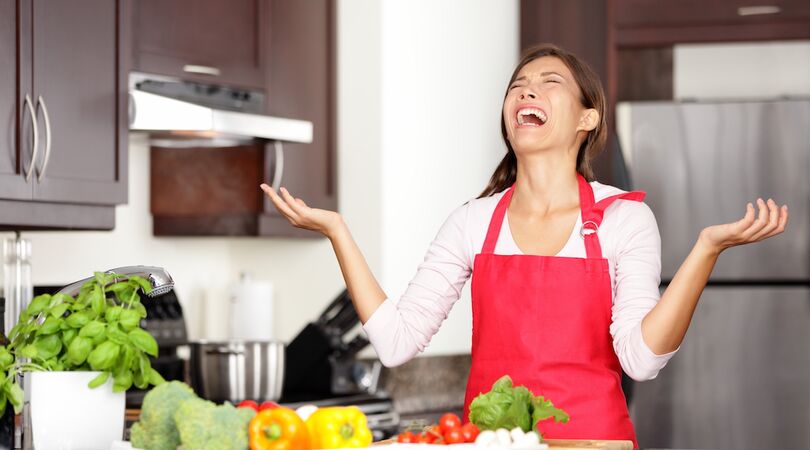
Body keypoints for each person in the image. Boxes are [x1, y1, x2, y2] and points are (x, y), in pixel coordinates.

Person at [260, 44, 788, 445]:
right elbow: (397, 343)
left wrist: (704, 252)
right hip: (491, 444)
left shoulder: (623, 219)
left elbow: (642, 360)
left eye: (549, 82)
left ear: (588, 119)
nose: (527, 91)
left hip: (592, 443)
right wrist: (339, 233)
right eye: (518, 85)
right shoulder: (473, 221)